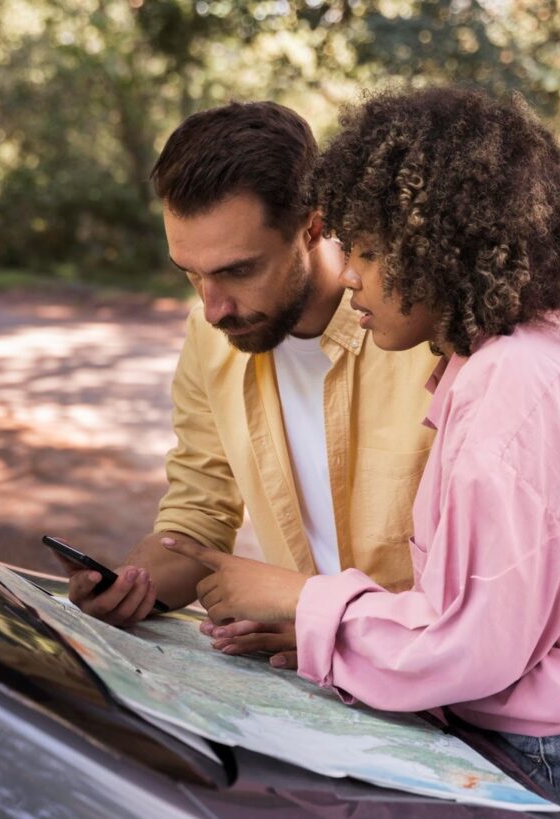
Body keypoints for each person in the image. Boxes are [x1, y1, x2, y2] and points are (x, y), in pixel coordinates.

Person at [165, 87, 560, 818]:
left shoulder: (507, 389)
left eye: (366, 250)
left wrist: (303, 602)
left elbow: (471, 643)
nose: (352, 272)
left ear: (438, 248)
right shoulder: (550, 339)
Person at [64, 101, 438, 667]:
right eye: (191, 274)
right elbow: (199, 515)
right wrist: (131, 586)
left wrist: (327, 625)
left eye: (237, 271)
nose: (212, 309)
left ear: (313, 226)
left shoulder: (427, 335)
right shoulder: (210, 335)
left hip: (431, 680)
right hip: (321, 673)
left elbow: (483, 597)